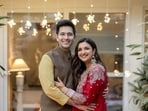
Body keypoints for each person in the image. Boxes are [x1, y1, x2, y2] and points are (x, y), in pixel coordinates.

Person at [38, 19, 94, 111]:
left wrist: (100, 90)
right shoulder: (48, 58)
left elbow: (83, 83)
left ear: (74, 37)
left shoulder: (76, 59)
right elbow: (49, 89)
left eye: (69, 34)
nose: (66, 37)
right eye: (62, 34)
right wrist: (74, 103)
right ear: (57, 37)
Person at [55, 37, 109, 111]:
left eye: (86, 48)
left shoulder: (96, 70)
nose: (83, 52)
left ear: (93, 51)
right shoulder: (85, 70)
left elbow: (85, 99)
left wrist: (64, 89)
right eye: (80, 50)